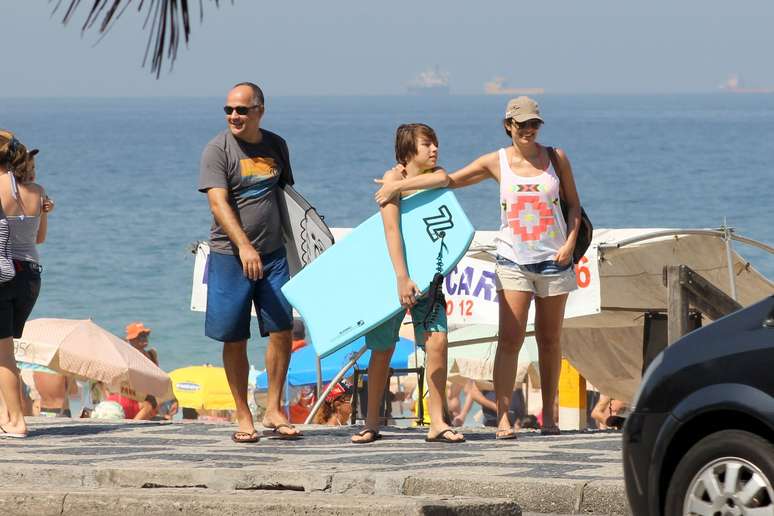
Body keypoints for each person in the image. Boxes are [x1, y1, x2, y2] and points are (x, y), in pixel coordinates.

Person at [375, 97, 582, 439]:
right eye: (522, 124)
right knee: (510, 339)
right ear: (508, 126)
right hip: (513, 259)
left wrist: (570, 244)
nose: (529, 130)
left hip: (554, 260)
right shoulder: (495, 161)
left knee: (549, 340)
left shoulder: (556, 158)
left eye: (534, 124)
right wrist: (398, 185)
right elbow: (448, 180)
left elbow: (574, 205)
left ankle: (549, 417)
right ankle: (503, 419)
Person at [198, 82, 299, 444]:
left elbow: (286, 197)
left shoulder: (277, 145)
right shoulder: (217, 150)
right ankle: (243, 414)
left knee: (283, 329)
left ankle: (273, 409)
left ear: (260, 111)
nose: (234, 116)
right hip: (231, 256)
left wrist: (304, 244)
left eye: (241, 110)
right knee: (235, 336)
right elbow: (218, 203)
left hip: (273, 254)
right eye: (228, 110)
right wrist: (244, 246)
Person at [351, 123, 464, 444]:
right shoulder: (391, 179)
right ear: (408, 151)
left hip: (429, 276)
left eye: (435, 143)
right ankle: (371, 422)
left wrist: (397, 187)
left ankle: (438, 421)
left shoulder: (426, 176)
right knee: (382, 349)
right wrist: (402, 278)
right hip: (392, 276)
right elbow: (392, 232)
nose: (434, 149)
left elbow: (443, 179)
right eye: (427, 144)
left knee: (438, 343)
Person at [0, 133, 53, 438]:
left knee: (4, 354)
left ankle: (17, 421)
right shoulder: (39, 192)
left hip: (3, 276)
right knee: (4, 350)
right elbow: (39, 238)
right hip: (30, 277)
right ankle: (5, 414)